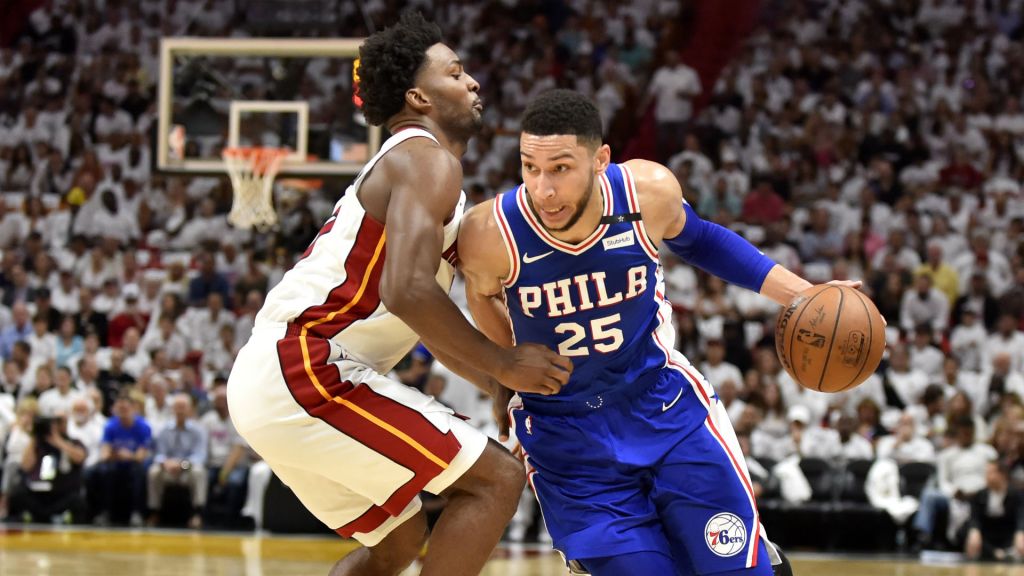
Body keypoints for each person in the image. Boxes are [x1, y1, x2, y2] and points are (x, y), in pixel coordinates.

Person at [226, 12, 571, 576]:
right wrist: (505, 363)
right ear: (418, 96)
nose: (472, 83)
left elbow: (420, 317)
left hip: (275, 378)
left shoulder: (416, 166)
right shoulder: (425, 158)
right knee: (495, 482)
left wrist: (490, 381)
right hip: (308, 367)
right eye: (456, 73)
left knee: (397, 542)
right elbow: (408, 291)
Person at [457, 89, 816, 575]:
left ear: (600, 159)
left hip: (664, 408)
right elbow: (480, 295)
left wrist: (804, 295)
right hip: (569, 440)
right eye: (529, 167)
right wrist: (505, 370)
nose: (543, 189)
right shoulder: (490, 231)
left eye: (561, 168)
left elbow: (702, 240)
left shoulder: (645, 192)